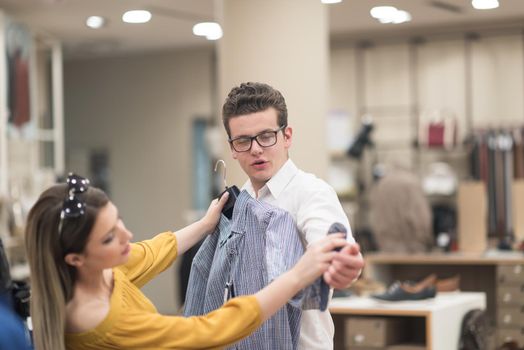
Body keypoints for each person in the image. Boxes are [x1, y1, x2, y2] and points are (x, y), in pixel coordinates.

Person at [25, 174, 349, 350]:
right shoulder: (104, 323)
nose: (127, 235)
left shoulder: (104, 271)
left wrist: (206, 225)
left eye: (119, 221)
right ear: (75, 258)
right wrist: (297, 276)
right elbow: (207, 330)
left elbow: (154, 251)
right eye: (109, 237)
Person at [222, 82, 365, 349]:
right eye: (243, 141)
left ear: (287, 136)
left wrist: (341, 265)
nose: (255, 149)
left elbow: (329, 243)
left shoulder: (312, 193)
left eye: (266, 136)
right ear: (232, 148)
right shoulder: (238, 201)